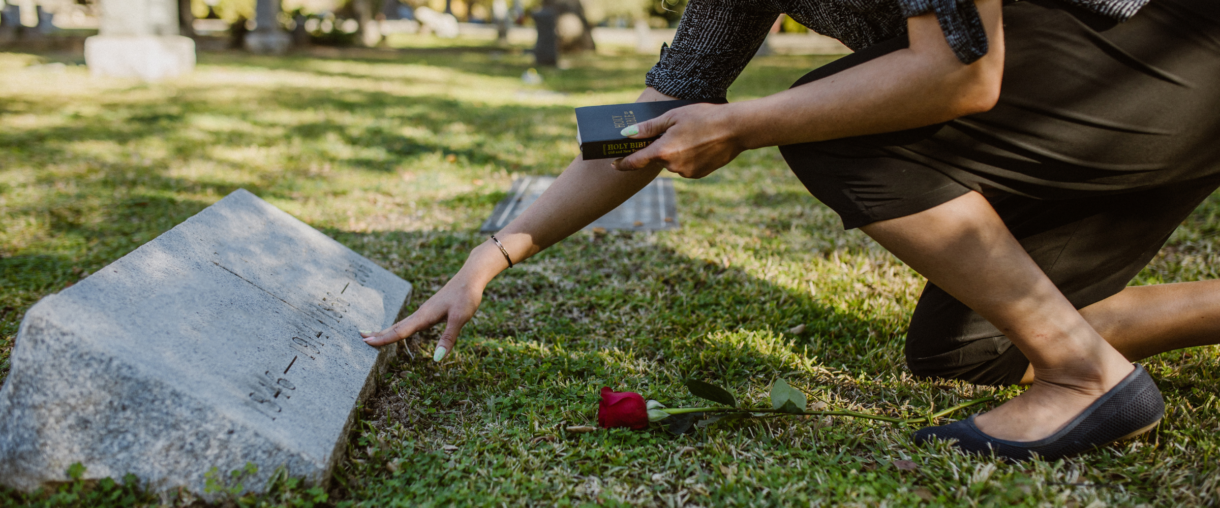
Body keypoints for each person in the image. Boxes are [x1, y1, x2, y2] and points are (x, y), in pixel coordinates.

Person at [363, 0, 1220, 460]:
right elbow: (655, 115)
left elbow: (961, 75)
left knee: (843, 126)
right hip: (1105, 111)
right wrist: (497, 251)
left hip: (1170, 66)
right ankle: (1087, 344)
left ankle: (1084, 376)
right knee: (965, 352)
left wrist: (746, 124)